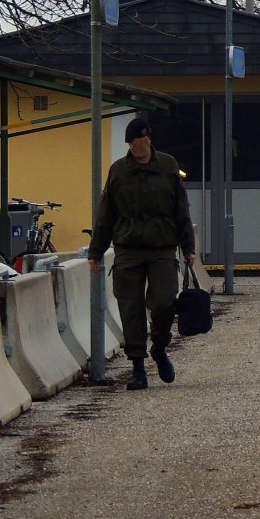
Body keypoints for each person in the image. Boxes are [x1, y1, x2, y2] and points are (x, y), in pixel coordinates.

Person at [88, 117, 196, 391]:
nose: (137, 147)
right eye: (132, 144)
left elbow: (181, 208)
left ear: (149, 140)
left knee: (163, 303)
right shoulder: (119, 171)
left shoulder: (168, 166)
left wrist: (189, 247)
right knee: (130, 309)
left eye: (141, 142)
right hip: (128, 248)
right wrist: (96, 251)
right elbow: (106, 214)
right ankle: (138, 368)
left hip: (162, 247)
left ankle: (159, 347)